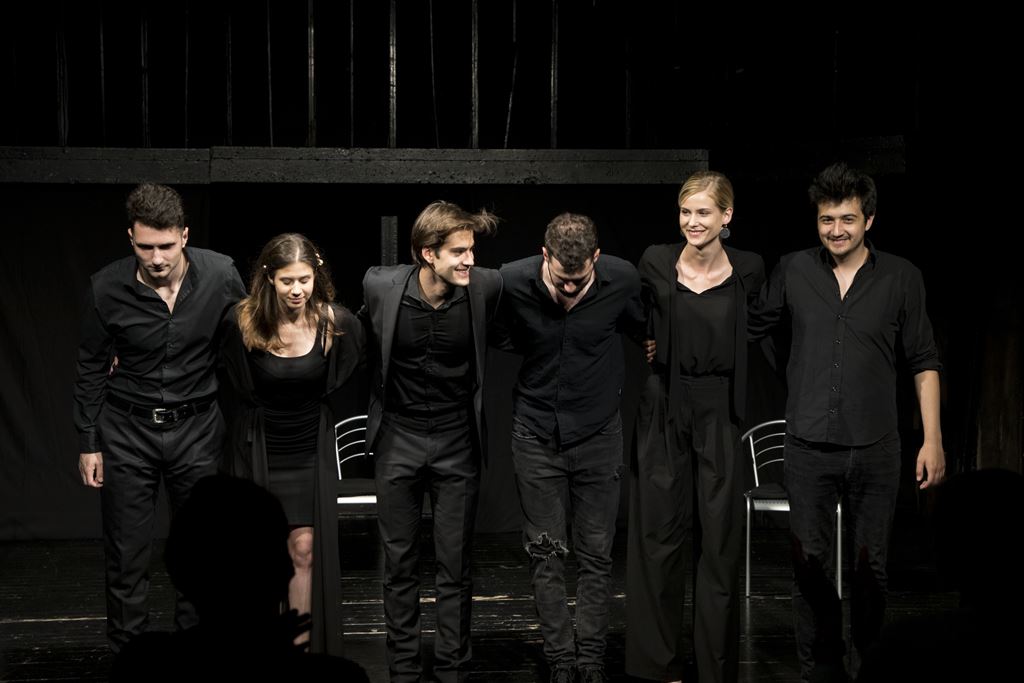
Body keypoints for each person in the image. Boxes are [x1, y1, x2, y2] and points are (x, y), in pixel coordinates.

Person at [748, 162, 945, 681]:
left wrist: (933, 440)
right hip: (808, 445)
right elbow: (750, 326)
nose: (836, 230)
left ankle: (868, 672)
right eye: (827, 219)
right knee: (809, 567)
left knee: (869, 569)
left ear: (869, 220)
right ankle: (820, 673)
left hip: (875, 445)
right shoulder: (793, 269)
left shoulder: (901, 276)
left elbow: (923, 359)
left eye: (848, 219)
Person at [73, 183, 246, 651]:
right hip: (127, 431)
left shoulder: (220, 275)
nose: (156, 258)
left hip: (197, 428)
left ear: (184, 235)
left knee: (201, 550)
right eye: (145, 247)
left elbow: (245, 339)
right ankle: (129, 656)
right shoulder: (106, 287)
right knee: (126, 553)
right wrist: (88, 441)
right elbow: (90, 366)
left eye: (166, 246)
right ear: (130, 238)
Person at [494, 213, 645, 683]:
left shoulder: (621, 279)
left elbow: (644, 326)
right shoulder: (512, 281)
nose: (569, 289)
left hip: (599, 434)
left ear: (596, 259)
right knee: (546, 553)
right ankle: (561, 660)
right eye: (561, 279)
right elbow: (494, 331)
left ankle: (591, 660)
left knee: (597, 555)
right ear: (545, 255)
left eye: (579, 280)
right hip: (536, 433)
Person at [626, 171, 765, 683]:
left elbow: (762, 325)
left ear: (726, 216)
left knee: (720, 539)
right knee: (658, 534)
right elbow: (632, 311)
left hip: (719, 405)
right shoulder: (656, 260)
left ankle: (715, 667)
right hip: (665, 399)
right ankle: (656, 665)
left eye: (703, 212)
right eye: (685, 212)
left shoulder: (748, 268)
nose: (692, 222)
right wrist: (647, 338)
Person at [359, 201, 501, 682]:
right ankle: (402, 670)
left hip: (456, 439)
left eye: (471, 250)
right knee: (399, 562)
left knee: (454, 565)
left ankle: (451, 668)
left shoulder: (486, 288)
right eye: (458, 252)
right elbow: (351, 336)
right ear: (428, 253)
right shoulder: (381, 286)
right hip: (398, 436)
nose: (469, 260)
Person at [219, 233, 364, 655]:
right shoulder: (243, 322)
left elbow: (361, 361)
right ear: (269, 278)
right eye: (287, 281)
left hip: (307, 448)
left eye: (304, 279)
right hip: (259, 447)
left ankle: (297, 651)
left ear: (316, 276)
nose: (297, 290)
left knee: (304, 550)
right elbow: (213, 365)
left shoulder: (334, 323)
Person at [111, 474, 371, 682]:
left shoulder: (142, 665)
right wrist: (274, 654)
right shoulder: (342, 677)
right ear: (282, 573)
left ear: (177, 572)